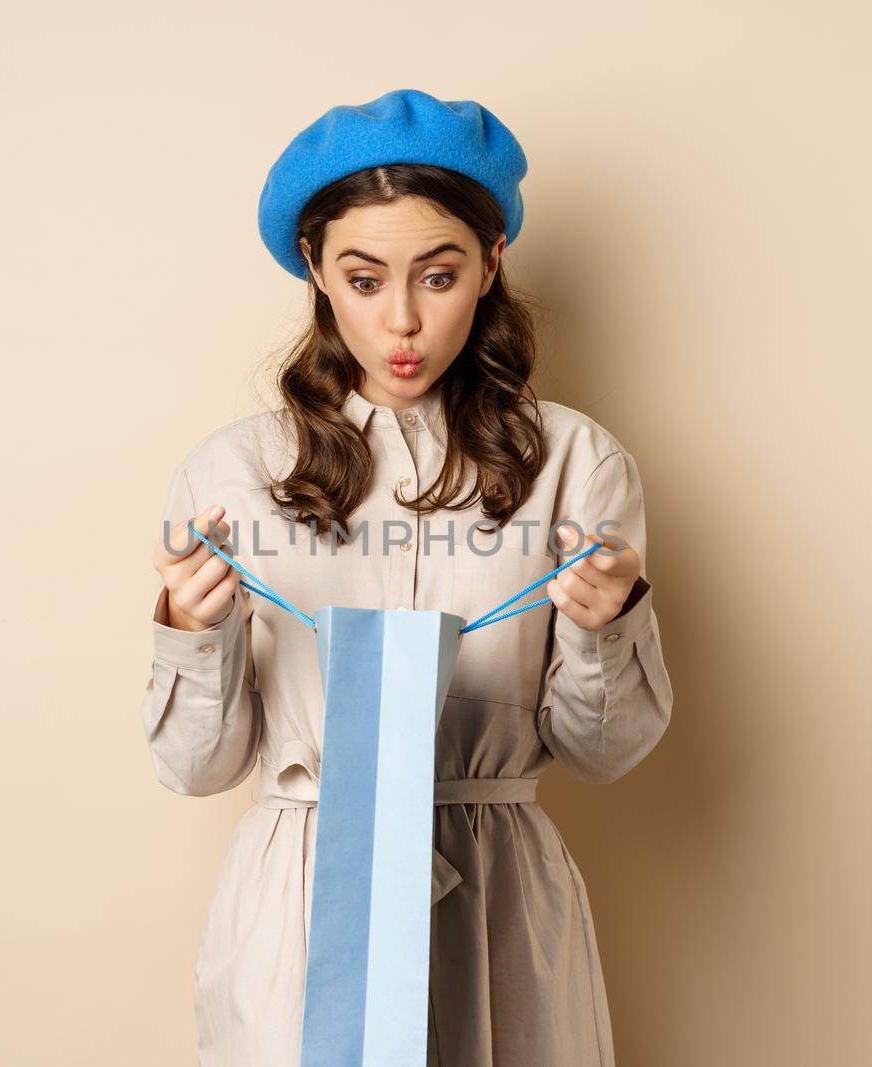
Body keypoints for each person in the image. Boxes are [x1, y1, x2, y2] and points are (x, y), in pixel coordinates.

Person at [140, 87, 676, 1066]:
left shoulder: (573, 461)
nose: (400, 320)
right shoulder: (230, 473)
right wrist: (190, 626)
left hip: (497, 892)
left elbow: (603, 752)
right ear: (314, 269)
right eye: (363, 275)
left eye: (437, 275)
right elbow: (194, 765)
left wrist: (609, 625)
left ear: (491, 262)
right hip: (301, 895)